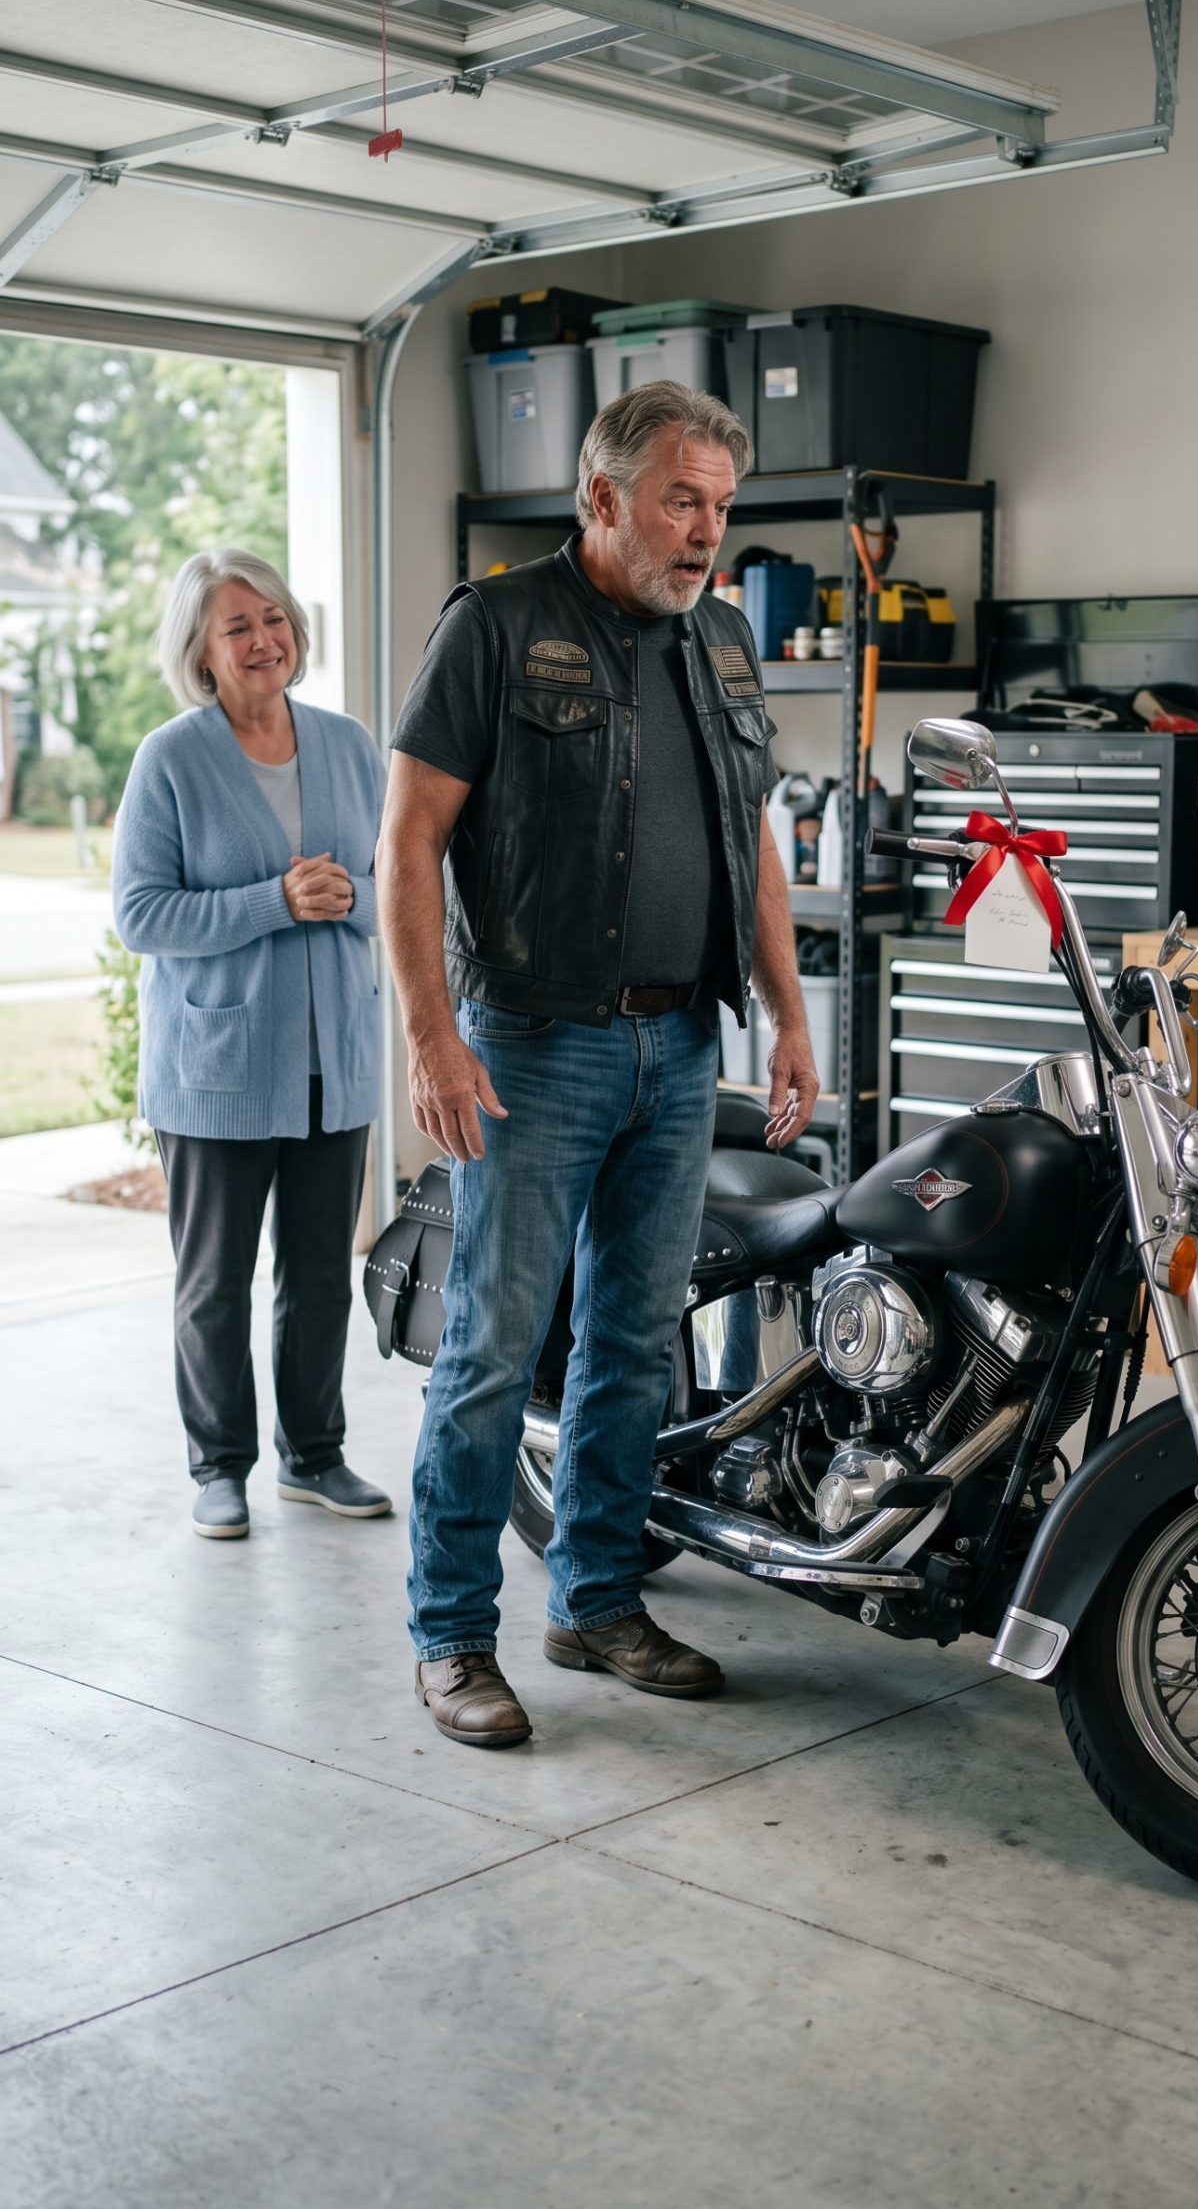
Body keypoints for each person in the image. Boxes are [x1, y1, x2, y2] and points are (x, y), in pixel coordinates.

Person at [381, 380, 819, 1750]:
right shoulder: (496, 628)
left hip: (680, 1041)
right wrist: (430, 1037)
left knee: (636, 1344)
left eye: (721, 506)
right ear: (602, 499)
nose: (706, 532)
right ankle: (454, 1636)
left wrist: (788, 1011)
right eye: (682, 500)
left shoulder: (726, 641)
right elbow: (407, 843)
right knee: (495, 1347)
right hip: (530, 1044)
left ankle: (596, 1601)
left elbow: (752, 841)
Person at [113, 548, 392, 1541]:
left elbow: (391, 888)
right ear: (201, 650)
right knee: (215, 1280)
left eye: (272, 617)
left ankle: (314, 1455)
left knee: (320, 1274)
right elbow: (141, 914)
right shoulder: (172, 759)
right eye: (238, 626)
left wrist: (350, 898)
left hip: (334, 1062)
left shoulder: (351, 745)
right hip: (217, 1071)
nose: (263, 639)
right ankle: (219, 1465)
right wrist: (272, 901)